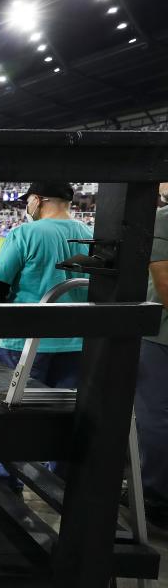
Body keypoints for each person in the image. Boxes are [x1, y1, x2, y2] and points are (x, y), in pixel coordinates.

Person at [0, 182, 92, 486]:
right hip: (79, 343)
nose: (26, 206)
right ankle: (59, 486)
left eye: (28, 200)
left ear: (39, 199)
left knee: (11, 419)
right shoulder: (92, 234)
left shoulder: (25, 233)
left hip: (25, 343)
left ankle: (7, 484)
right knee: (65, 420)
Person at [133, 182, 168, 528]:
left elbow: (164, 282)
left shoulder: (163, 218)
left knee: (154, 418)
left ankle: (154, 496)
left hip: (160, 336)